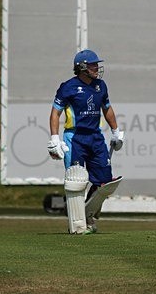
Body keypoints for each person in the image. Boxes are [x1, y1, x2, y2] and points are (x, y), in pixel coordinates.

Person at [48, 49, 125, 235]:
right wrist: (54, 139)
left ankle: (88, 215)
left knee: (105, 183)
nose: (97, 68)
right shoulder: (68, 87)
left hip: (96, 137)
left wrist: (116, 132)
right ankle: (79, 224)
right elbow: (55, 113)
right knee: (76, 180)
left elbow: (107, 109)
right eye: (93, 65)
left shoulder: (100, 85)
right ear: (82, 67)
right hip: (75, 138)